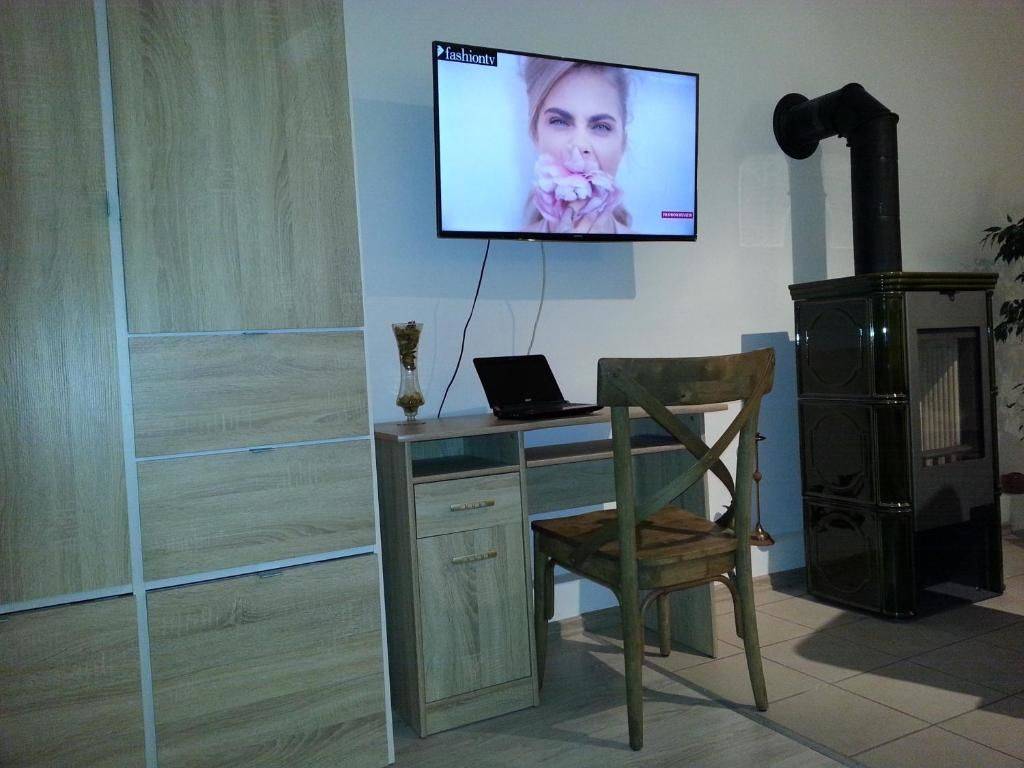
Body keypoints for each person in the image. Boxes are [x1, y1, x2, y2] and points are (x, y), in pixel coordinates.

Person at [522, 57, 632, 234]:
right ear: (535, 134)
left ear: (623, 143)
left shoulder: (652, 248)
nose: (580, 146)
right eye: (559, 122)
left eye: (601, 126)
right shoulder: (505, 248)